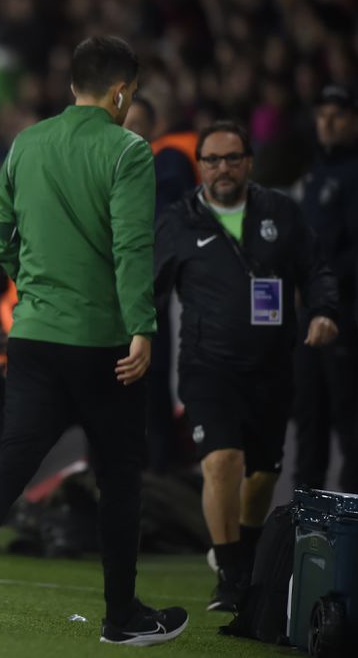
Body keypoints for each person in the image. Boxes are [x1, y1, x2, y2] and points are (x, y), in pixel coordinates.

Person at [0, 36, 188, 647]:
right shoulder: (129, 150)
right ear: (122, 90)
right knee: (120, 476)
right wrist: (142, 327)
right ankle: (121, 615)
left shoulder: (26, 143)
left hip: (33, 338)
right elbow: (133, 248)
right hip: (103, 344)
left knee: (10, 462)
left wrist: (36, 283)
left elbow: (1, 236)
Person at [154, 120, 339, 613]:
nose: (222, 169)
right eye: (211, 160)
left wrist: (324, 310)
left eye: (232, 158)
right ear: (200, 166)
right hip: (206, 367)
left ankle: (248, 556)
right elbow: (144, 287)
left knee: (261, 475)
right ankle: (232, 574)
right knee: (221, 461)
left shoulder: (281, 212)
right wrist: (129, 337)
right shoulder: (177, 221)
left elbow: (316, 268)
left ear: (249, 163)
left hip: (272, 366)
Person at [125, 90, 199, 474]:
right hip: (110, 300)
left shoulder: (166, 163)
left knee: (149, 389)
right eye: (125, 124)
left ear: (154, 129)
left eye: (138, 125)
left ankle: (160, 481)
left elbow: (169, 224)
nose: (130, 132)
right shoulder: (109, 168)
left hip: (146, 298)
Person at [293, 84, 358, 493]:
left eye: (337, 114)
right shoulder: (315, 172)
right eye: (322, 114)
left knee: (347, 419)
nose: (328, 122)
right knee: (308, 419)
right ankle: (305, 527)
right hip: (307, 314)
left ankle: (352, 522)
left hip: (341, 313)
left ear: (354, 121)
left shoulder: (355, 174)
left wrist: (322, 288)